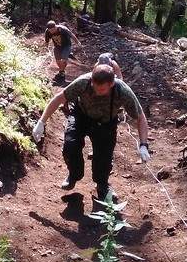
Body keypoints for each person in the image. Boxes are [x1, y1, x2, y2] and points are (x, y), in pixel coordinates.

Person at [32, 63, 150, 208]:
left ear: (111, 84)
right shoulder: (83, 82)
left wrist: (143, 145)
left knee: (103, 158)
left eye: (102, 89)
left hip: (106, 123)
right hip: (81, 116)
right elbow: (58, 99)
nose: (98, 92)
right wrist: (41, 122)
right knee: (70, 146)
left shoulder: (122, 91)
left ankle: (102, 185)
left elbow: (140, 117)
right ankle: (74, 174)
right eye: (95, 87)